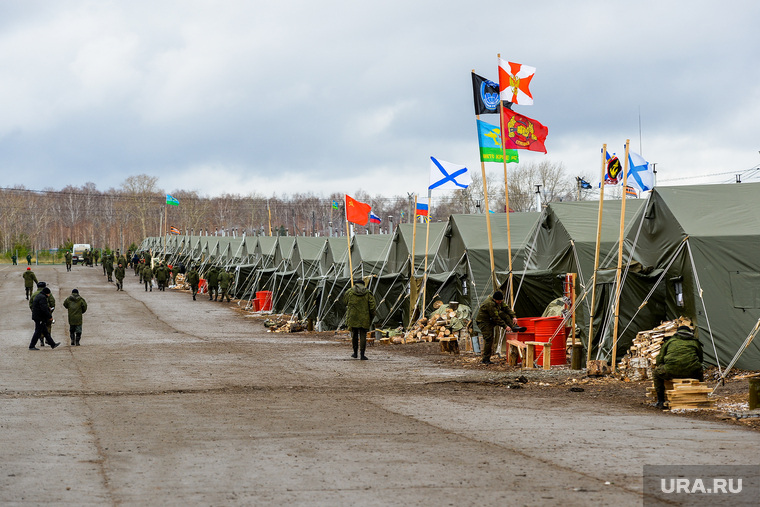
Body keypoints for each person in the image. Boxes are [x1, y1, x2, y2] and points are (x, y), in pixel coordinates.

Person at [653, 325, 704, 409]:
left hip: (671, 371)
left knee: (656, 373)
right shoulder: (695, 342)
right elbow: (700, 359)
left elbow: (659, 359)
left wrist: (663, 366)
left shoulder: (670, 341)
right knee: (700, 370)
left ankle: (661, 400)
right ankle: (700, 395)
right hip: (691, 372)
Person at [475, 291, 527, 365]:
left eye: (501, 301)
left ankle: (515, 327)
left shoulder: (499, 301)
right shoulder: (489, 304)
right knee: (489, 339)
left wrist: (514, 316)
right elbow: (496, 318)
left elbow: (506, 308)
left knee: (504, 314)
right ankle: (485, 359)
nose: (500, 302)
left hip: (490, 319)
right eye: (499, 301)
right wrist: (505, 326)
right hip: (483, 322)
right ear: (494, 299)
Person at [343, 280, 376, 360]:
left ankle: (355, 353)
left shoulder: (349, 292)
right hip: (364, 316)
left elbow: (345, 302)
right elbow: (372, 306)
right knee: (363, 335)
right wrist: (372, 315)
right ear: (363, 284)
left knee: (354, 334)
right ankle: (362, 354)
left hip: (353, 316)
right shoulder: (368, 292)